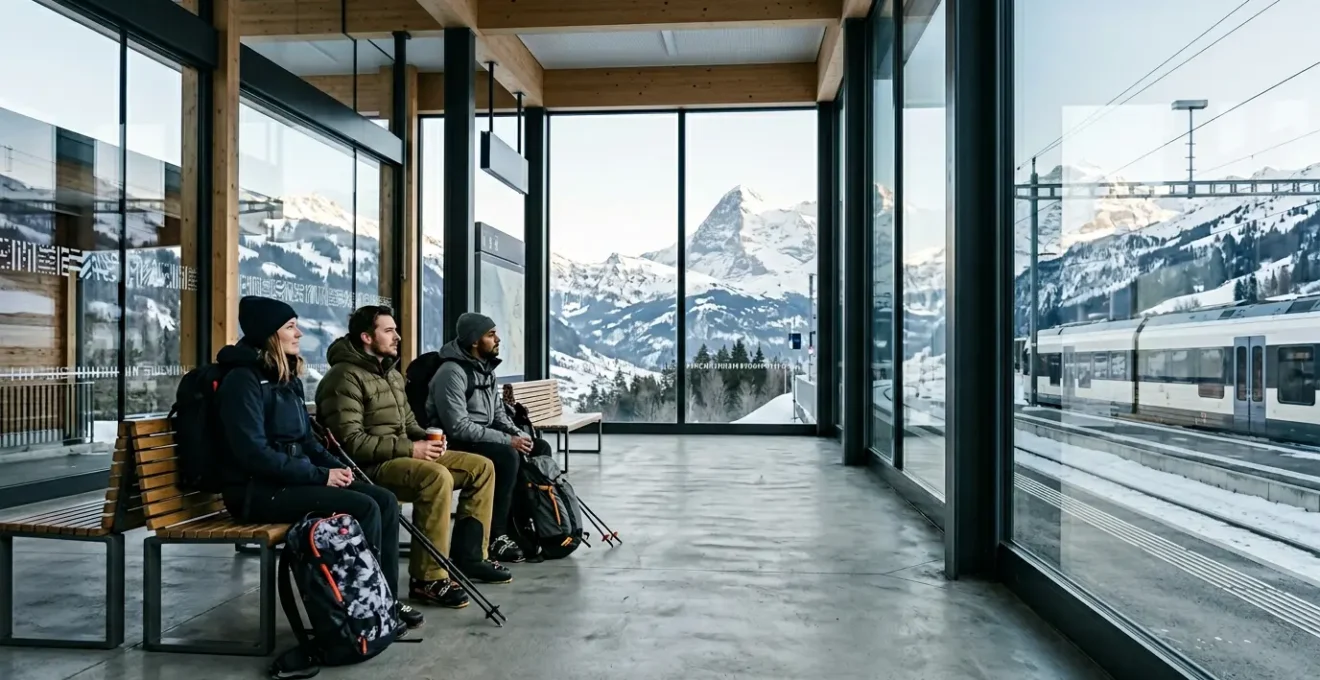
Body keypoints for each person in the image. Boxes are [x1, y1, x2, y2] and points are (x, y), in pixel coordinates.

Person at [214, 296, 424, 630]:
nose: (299, 333)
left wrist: (343, 468)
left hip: (289, 481)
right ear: (270, 334)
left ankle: (383, 598)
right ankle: (360, 605)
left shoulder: (285, 378)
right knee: (363, 507)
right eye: (290, 327)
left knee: (382, 498)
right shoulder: (243, 382)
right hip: (256, 492)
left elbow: (308, 441)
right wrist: (319, 475)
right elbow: (253, 453)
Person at [314, 305, 511, 610]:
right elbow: (351, 444)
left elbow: (409, 424)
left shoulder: (390, 374)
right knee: (435, 477)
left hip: (402, 455)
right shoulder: (344, 378)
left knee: (481, 467)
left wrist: (429, 437)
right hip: (368, 469)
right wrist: (412, 449)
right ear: (367, 337)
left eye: (396, 329)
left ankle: (472, 557)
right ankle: (428, 579)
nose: (398, 336)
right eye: (389, 331)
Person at [426, 312, 553, 561]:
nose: (498, 339)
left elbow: (497, 415)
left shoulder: (486, 370)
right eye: (490, 334)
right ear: (474, 341)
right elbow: (458, 427)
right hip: (456, 442)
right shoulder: (451, 373)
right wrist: (508, 441)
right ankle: (496, 536)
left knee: (538, 447)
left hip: (482, 436)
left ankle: (523, 524)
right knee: (506, 456)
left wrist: (518, 434)